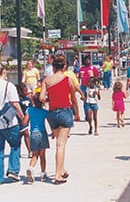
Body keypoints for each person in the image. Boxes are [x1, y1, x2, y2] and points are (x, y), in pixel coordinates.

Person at [39, 54, 78, 184]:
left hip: (52, 114)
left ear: (53, 66)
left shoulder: (47, 80)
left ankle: (62, 169)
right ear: (65, 66)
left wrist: (49, 100)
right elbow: (73, 99)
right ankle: (57, 175)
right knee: (61, 145)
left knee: (58, 143)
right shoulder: (68, 80)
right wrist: (77, 113)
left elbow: (41, 98)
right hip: (65, 111)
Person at [0, 63, 26, 183]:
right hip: (8, 122)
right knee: (15, 145)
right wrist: (23, 118)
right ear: (3, 72)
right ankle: (13, 170)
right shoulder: (8, 86)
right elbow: (15, 104)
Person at [25, 92, 49, 183]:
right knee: (42, 156)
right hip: (42, 133)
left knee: (35, 155)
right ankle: (43, 174)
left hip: (33, 134)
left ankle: (30, 168)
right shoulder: (44, 112)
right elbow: (50, 119)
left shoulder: (29, 110)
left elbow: (25, 121)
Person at [78, 55, 99, 121]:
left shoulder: (93, 68)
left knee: (92, 100)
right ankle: (87, 115)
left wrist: (94, 79)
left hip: (91, 87)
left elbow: (97, 77)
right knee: (85, 101)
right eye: (86, 60)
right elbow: (79, 77)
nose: (87, 61)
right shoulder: (82, 69)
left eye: (88, 60)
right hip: (84, 86)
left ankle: (93, 112)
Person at [16, 83, 32, 157]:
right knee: (26, 134)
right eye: (25, 91)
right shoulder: (18, 100)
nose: (26, 92)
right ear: (20, 92)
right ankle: (28, 151)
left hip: (27, 119)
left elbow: (31, 108)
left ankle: (28, 151)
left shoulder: (28, 99)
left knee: (23, 135)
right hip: (20, 120)